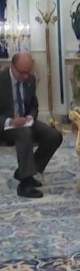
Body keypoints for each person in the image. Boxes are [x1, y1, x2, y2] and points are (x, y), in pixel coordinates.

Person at [0, 52, 63, 198]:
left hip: (25, 122)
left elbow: (34, 105)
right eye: (22, 72)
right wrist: (10, 121)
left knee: (54, 135)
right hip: (5, 126)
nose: (26, 76)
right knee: (24, 133)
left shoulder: (31, 79)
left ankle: (24, 172)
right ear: (12, 67)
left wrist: (30, 117)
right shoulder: (1, 80)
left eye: (29, 72)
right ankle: (25, 184)